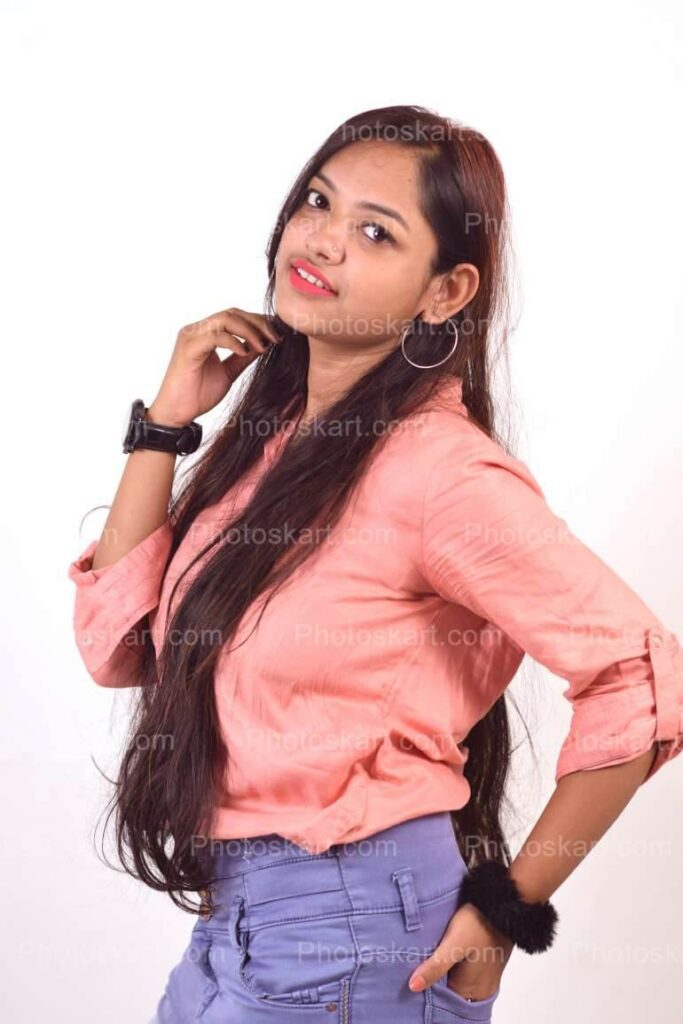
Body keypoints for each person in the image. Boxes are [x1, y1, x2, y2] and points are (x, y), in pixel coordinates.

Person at [67, 106, 683, 1023]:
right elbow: (117, 647)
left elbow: (638, 673)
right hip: (234, 925)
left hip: (354, 928)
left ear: (444, 293)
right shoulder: (273, 448)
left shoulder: (438, 471)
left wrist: (508, 909)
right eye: (318, 201)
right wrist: (162, 428)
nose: (321, 239)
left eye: (374, 230)